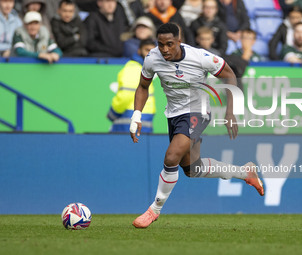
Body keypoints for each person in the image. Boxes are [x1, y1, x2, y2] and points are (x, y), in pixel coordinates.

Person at [130, 23, 264, 228]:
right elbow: (142, 86)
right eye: (161, 44)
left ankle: (153, 210)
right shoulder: (152, 58)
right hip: (173, 114)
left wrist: (230, 111)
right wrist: (136, 115)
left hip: (197, 112)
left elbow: (229, 74)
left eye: (169, 44)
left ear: (179, 41)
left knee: (171, 156)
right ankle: (245, 172)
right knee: (192, 168)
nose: (164, 49)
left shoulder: (200, 57)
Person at [107, 39, 156, 133]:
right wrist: (113, 114)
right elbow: (125, 95)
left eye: (153, 51)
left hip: (142, 121)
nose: (150, 54)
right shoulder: (133, 68)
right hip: (128, 121)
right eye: (147, 50)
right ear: (139, 51)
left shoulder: (145, 69)